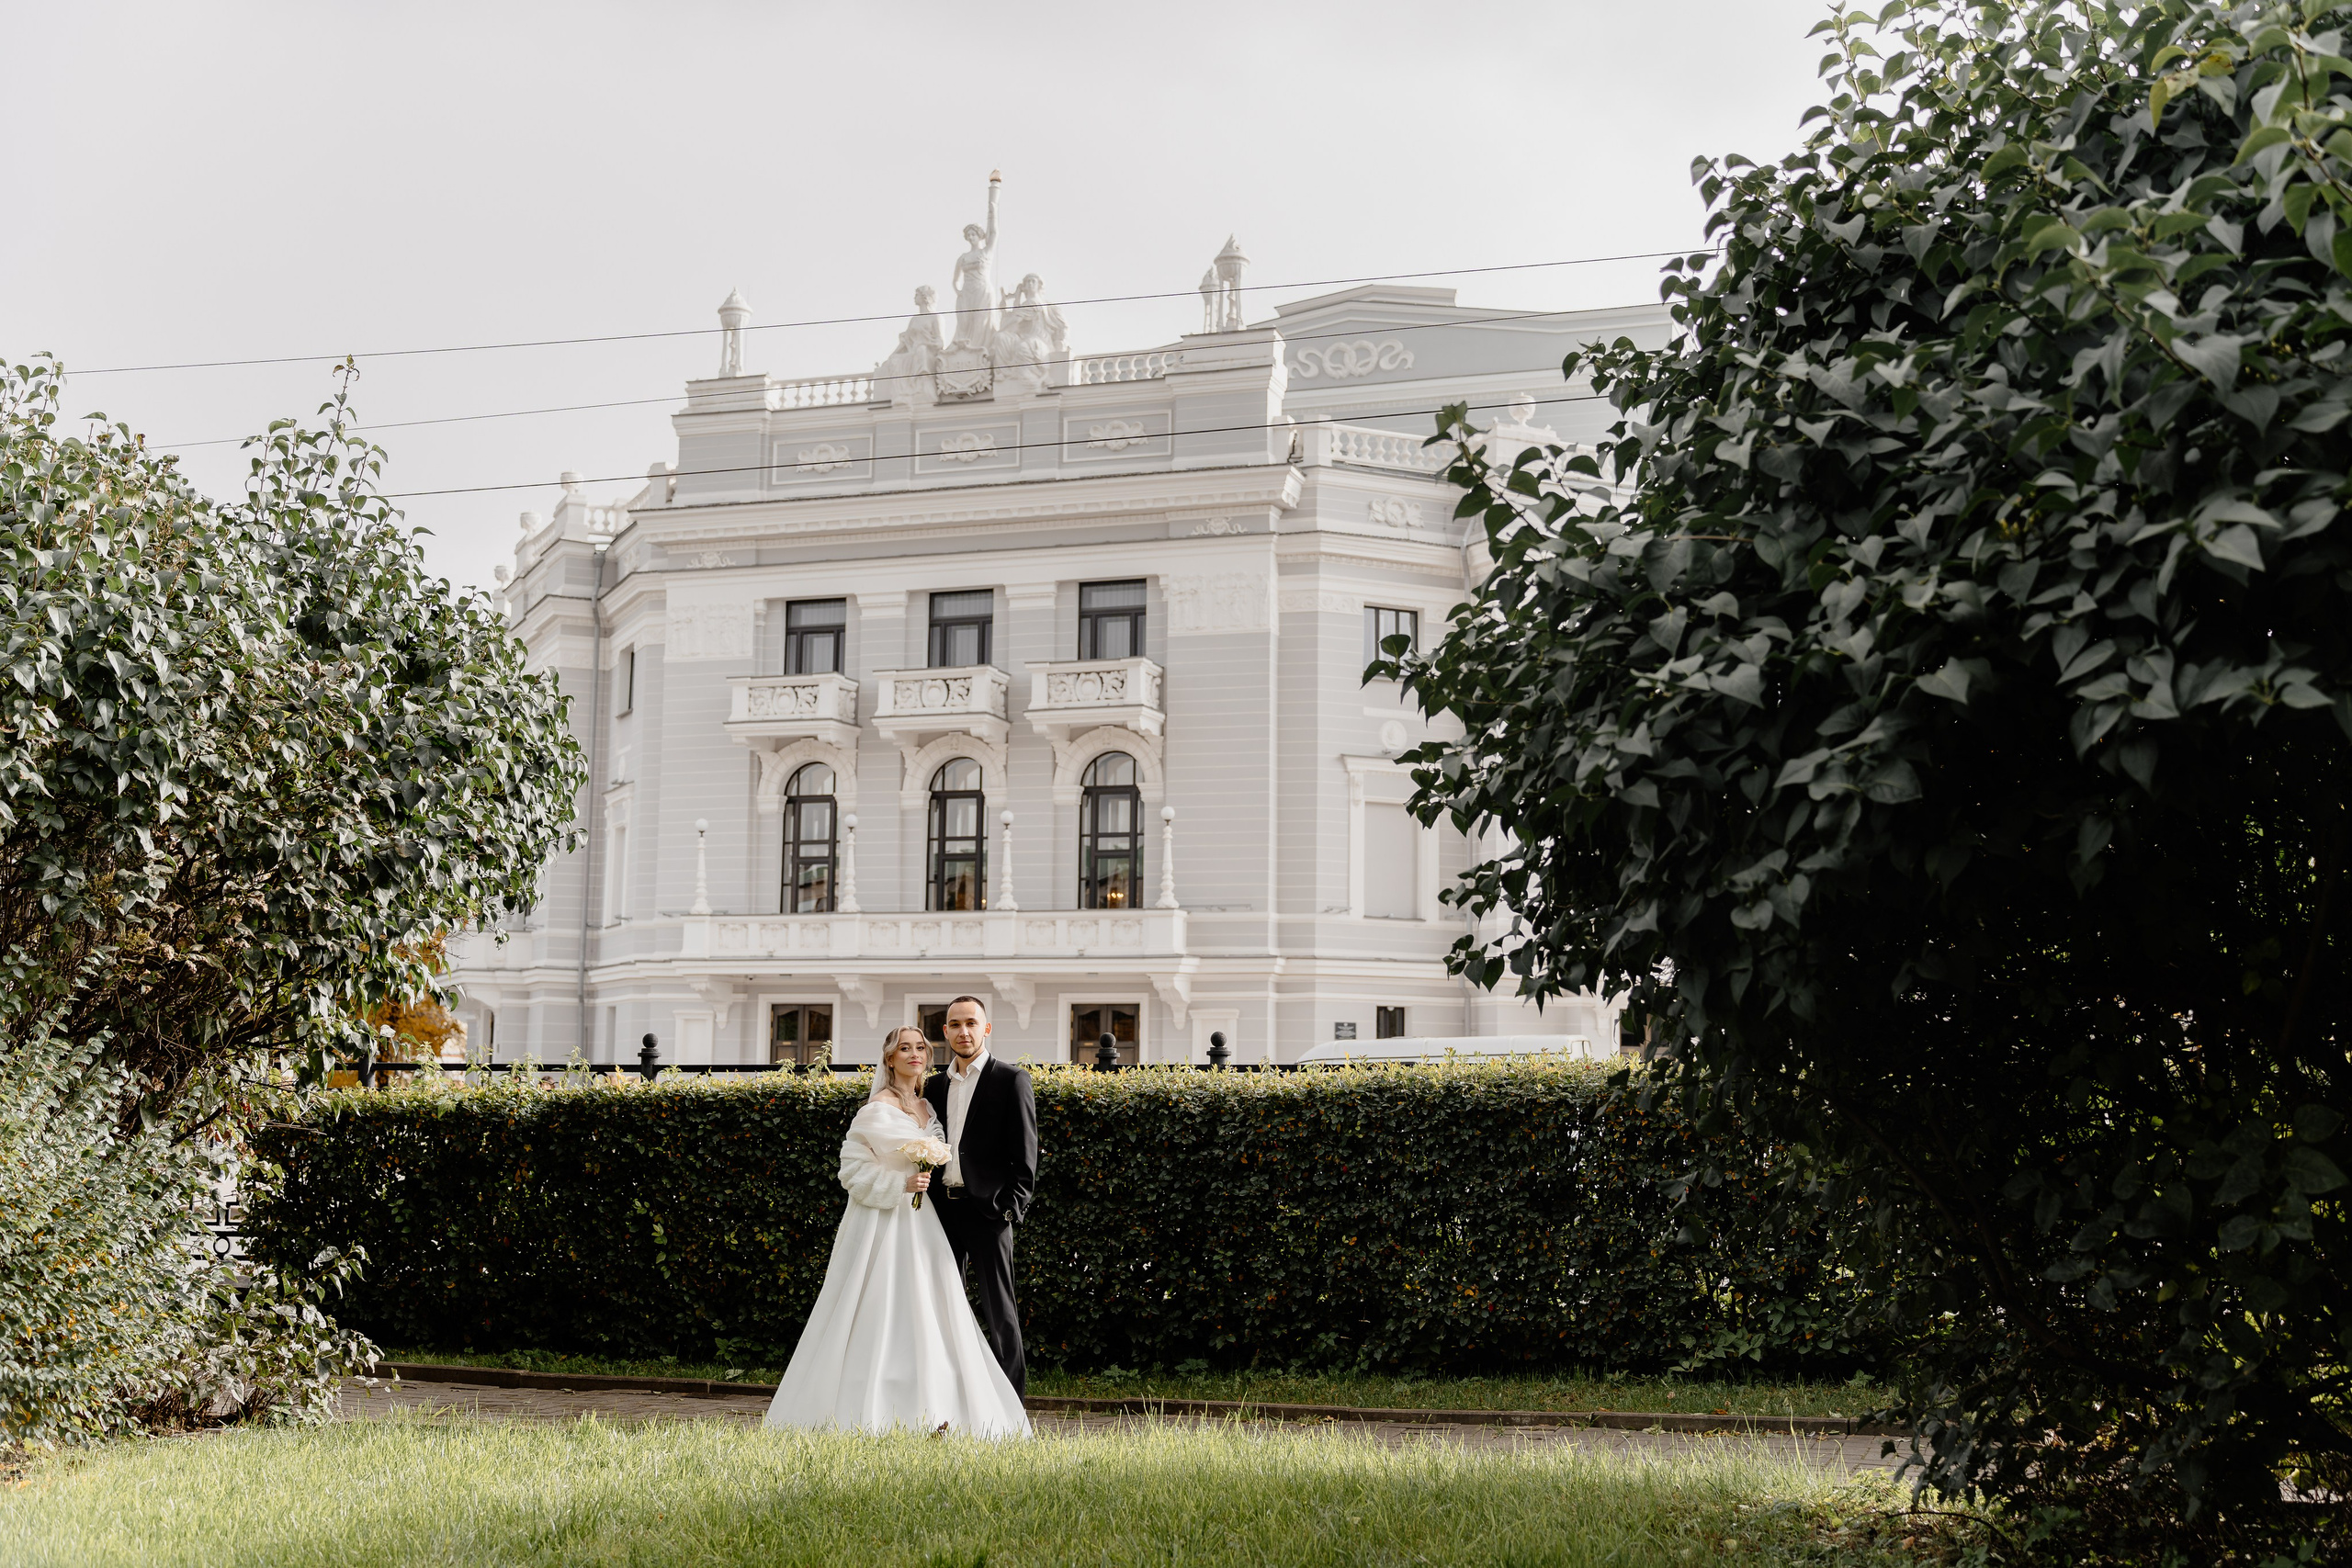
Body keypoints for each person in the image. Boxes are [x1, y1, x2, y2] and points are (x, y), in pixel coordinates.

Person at [763, 1025, 1030, 1436]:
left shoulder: (929, 1105)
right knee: (881, 1306)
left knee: (935, 1309)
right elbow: (851, 1168)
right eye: (904, 1048)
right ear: (889, 1058)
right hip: (883, 1224)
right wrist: (897, 1185)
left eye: (920, 1047)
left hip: (926, 1223)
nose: (913, 1054)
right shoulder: (875, 1108)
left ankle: (944, 1404)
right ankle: (871, 1403)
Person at [922, 994, 1037, 1393]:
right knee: (942, 1307)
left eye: (971, 1023)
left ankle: (1012, 1402)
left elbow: (1025, 1159)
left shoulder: (1011, 1080)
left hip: (989, 1213)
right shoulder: (932, 1086)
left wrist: (1009, 1210)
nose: (963, 1031)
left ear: (986, 1028)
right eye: (955, 1024)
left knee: (999, 1310)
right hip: (940, 1213)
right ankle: (952, 1396)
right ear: (945, 1032)